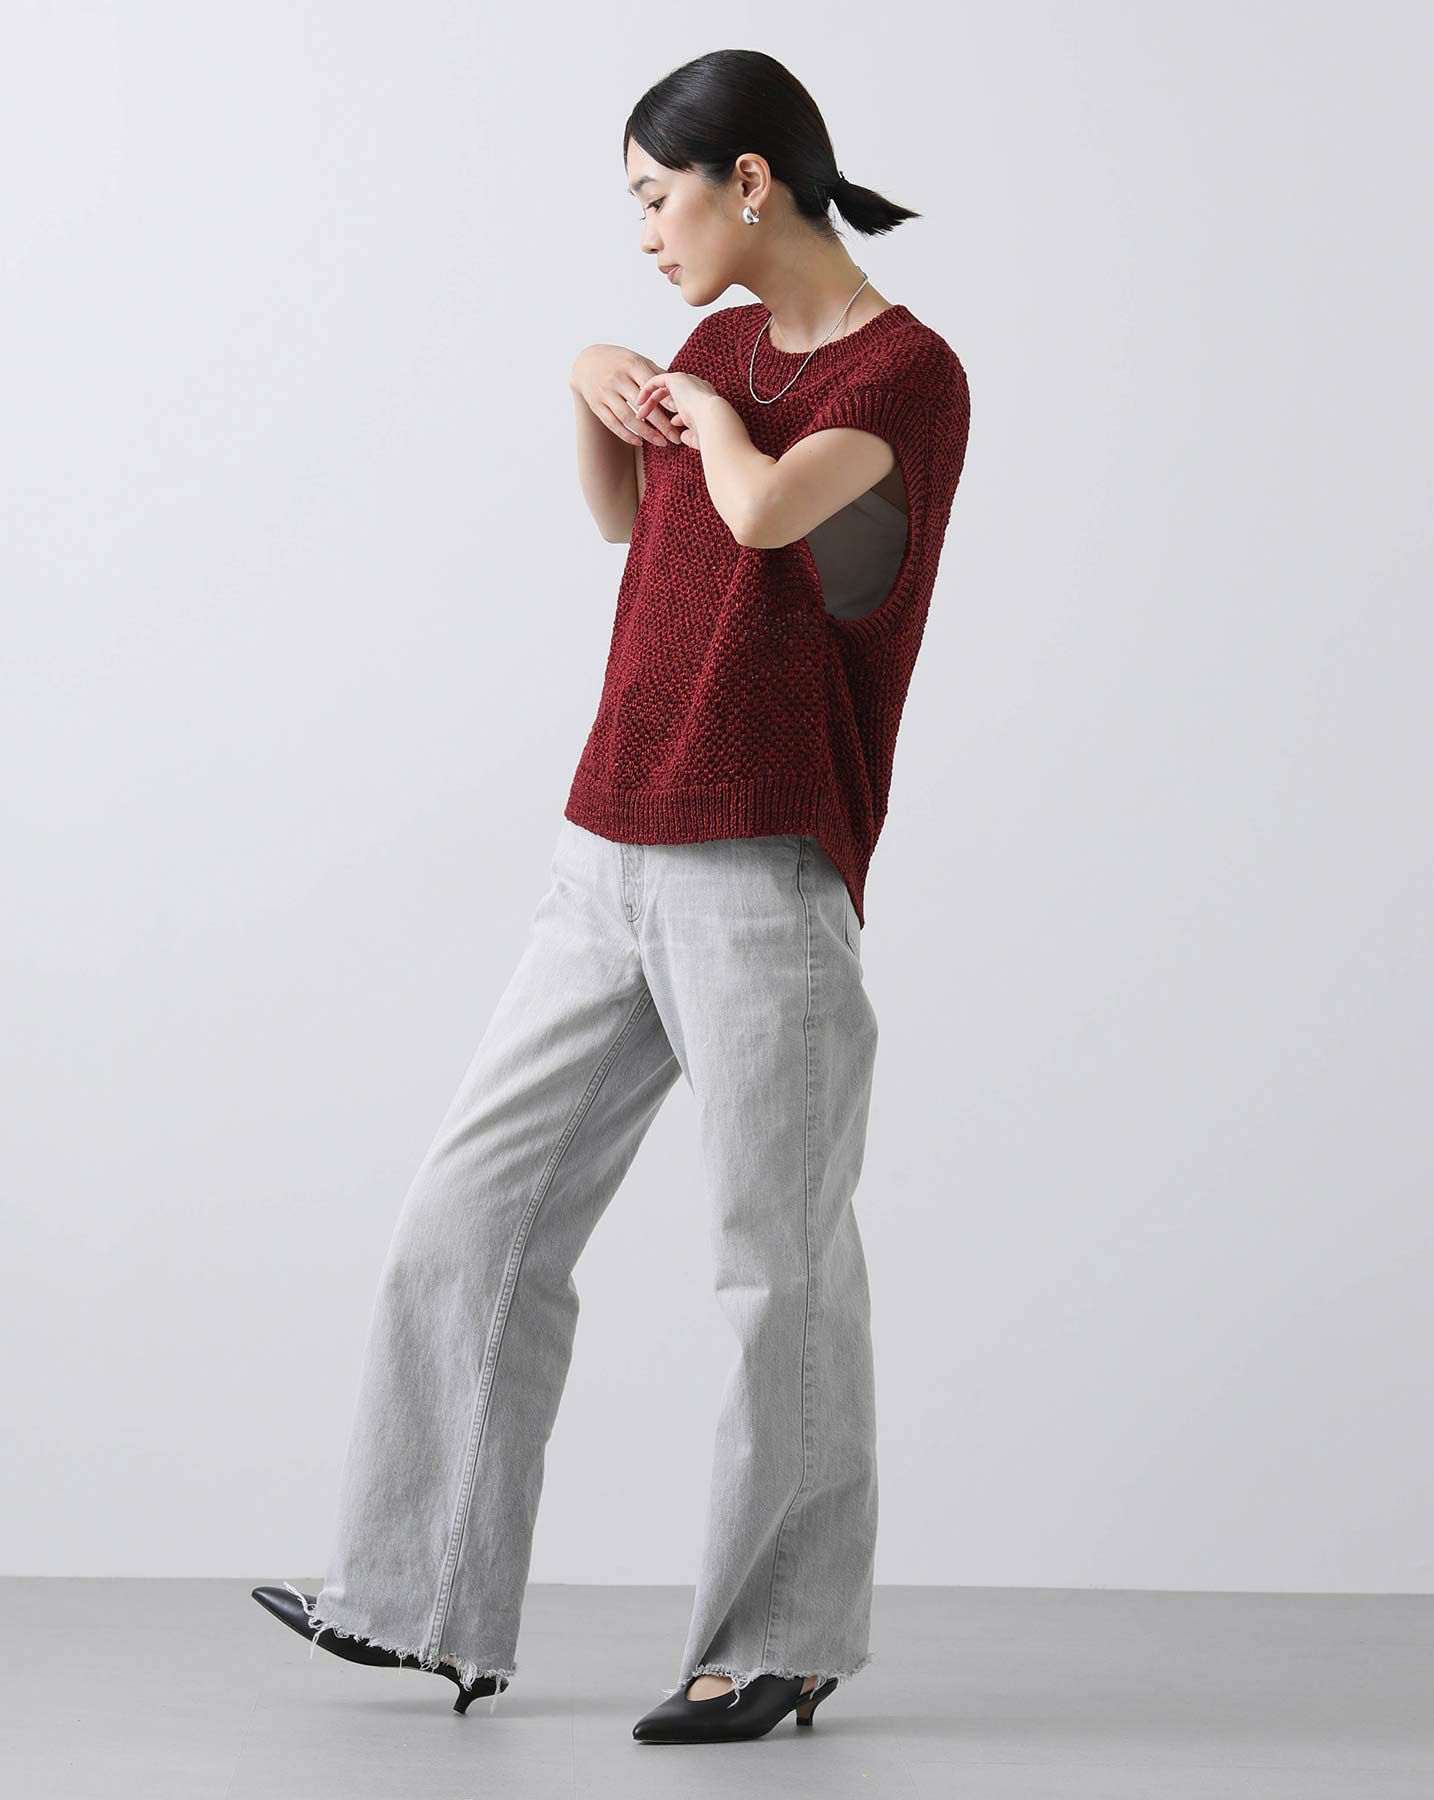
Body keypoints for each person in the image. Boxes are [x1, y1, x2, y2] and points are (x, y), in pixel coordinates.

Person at [252, 47, 970, 1746]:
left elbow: (762, 508)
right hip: (608, 845)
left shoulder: (905, 371)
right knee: (474, 1212)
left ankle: (782, 1638)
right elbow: (627, 521)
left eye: (656, 195)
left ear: (749, 182)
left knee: (777, 1265)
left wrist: (699, 411)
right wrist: (595, 385)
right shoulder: (715, 347)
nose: (644, 232)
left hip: (764, 865)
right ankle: (417, 1596)